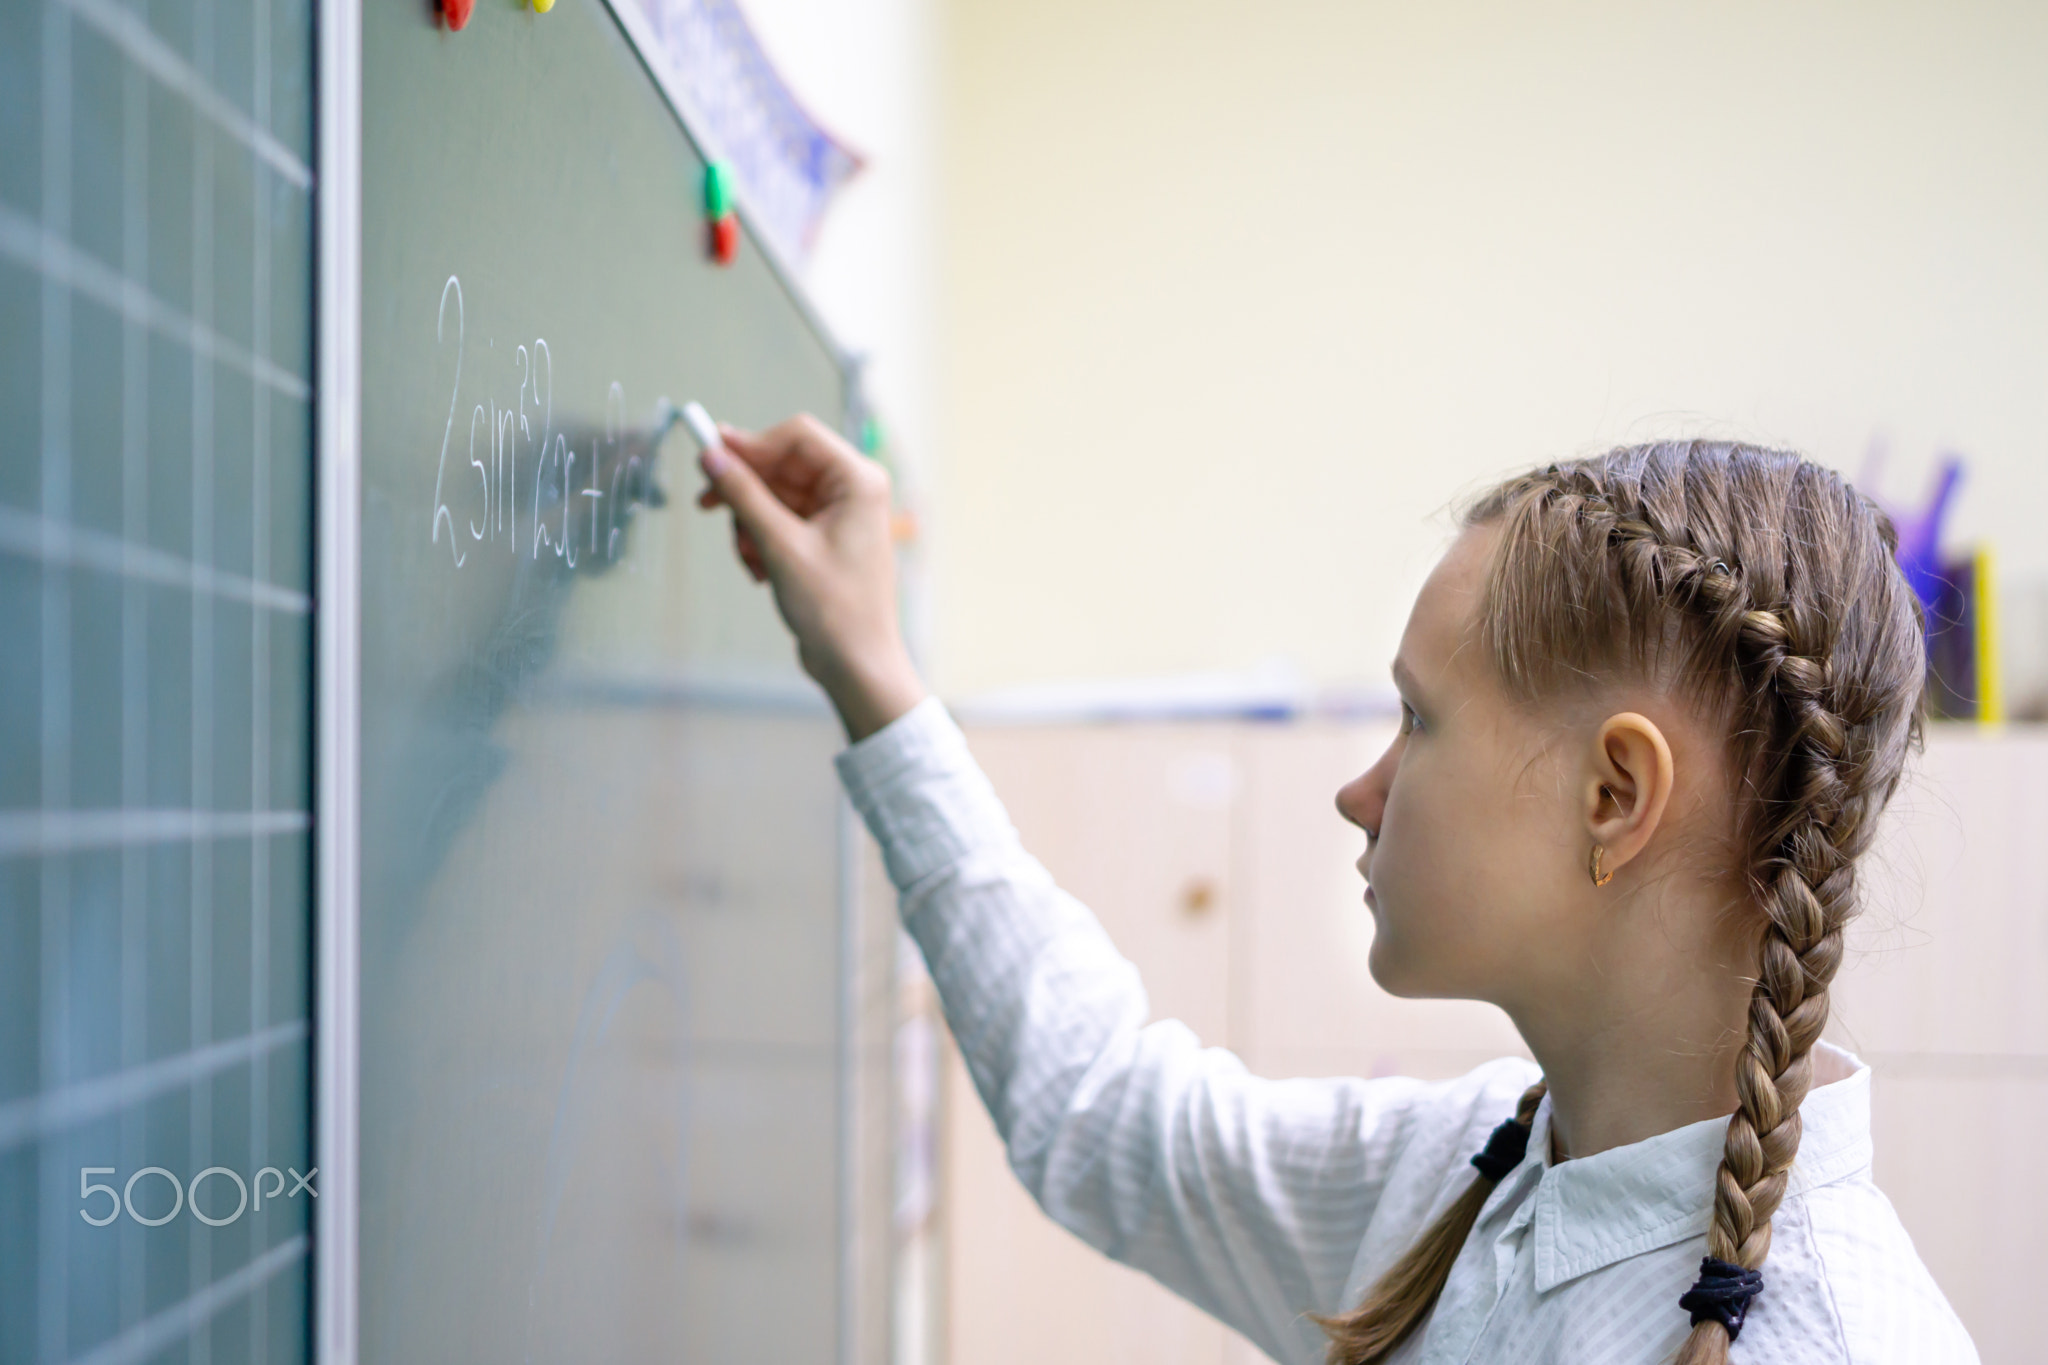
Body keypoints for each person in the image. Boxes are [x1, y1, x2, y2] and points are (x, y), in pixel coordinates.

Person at [693, 421, 1978, 1365]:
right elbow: (1110, 1116)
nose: (1359, 791)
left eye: (1416, 720)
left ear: (1612, 798)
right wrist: (870, 668)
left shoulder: (1834, 1340)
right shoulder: (1477, 1171)